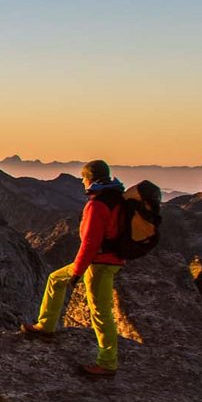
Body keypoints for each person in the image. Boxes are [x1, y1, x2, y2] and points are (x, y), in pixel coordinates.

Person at [21, 160, 125, 377]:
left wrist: (78, 271)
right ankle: (45, 326)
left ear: (90, 178)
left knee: (100, 311)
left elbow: (90, 242)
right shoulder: (116, 199)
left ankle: (107, 363)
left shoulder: (96, 205)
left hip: (99, 263)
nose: (82, 182)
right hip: (108, 260)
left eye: (83, 178)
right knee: (55, 279)